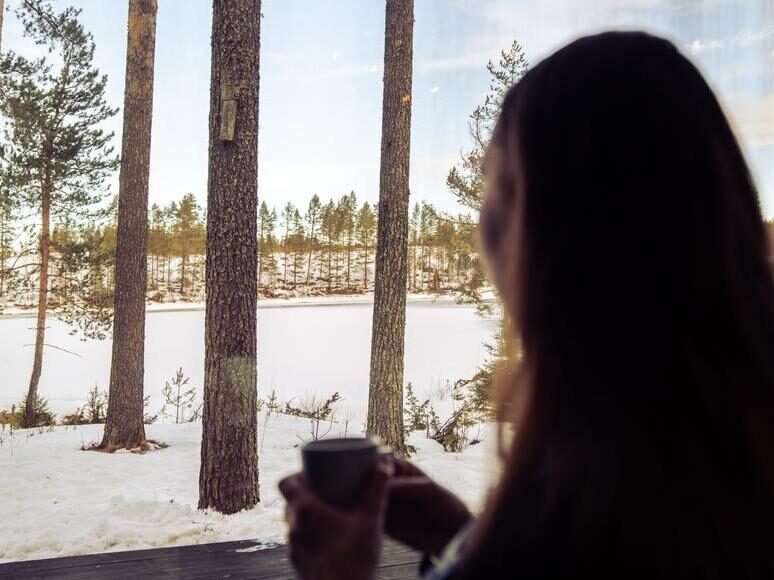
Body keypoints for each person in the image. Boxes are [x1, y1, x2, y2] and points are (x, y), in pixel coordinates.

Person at [279, 30, 774, 579]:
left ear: (550, 228)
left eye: (496, 183)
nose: (476, 227)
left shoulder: (602, 483)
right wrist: (461, 538)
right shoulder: (711, 447)